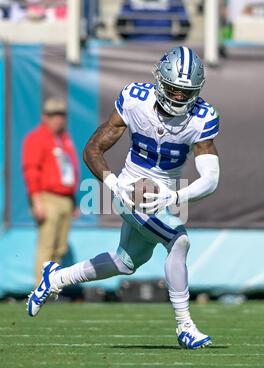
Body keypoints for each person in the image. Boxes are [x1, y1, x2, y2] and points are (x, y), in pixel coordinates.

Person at [27, 47, 220, 350]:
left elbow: (211, 179)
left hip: (165, 196)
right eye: (173, 89)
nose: (180, 98)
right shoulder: (135, 100)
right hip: (131, 188)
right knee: (179, 240)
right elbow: (92, 149)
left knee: (125, 262)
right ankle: (185, 325)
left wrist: (174, 195)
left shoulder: (202, 118)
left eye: (187, 92)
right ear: (159, 81)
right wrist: (116, 186)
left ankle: (55, 278)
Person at [22, 98, 79, 287]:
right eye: (53, 115)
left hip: (65, 199)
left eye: (61, 115)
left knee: (60, 247)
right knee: (47, 244)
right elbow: (31, 170)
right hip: (47, 197)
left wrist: (73, 200)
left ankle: (52, 287)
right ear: (44, 117)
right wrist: (36, 201)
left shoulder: (65, 139)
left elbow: (68, 172)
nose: (58, 119)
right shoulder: (36, 137)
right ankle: (40, 287)